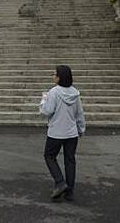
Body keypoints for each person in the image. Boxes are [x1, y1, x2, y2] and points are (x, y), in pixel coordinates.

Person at [40, 65, 86, 201]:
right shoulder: (75, 93)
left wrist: (43, 100)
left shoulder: (54, 92)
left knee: (49, 156)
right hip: (71, 133)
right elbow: (79, 114)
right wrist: (81, 129)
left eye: (54, 74)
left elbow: (46, 111)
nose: (53, 76)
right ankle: (69, 192)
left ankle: (60, 182)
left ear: (60, 77)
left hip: (56, 132)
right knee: (70, 161)